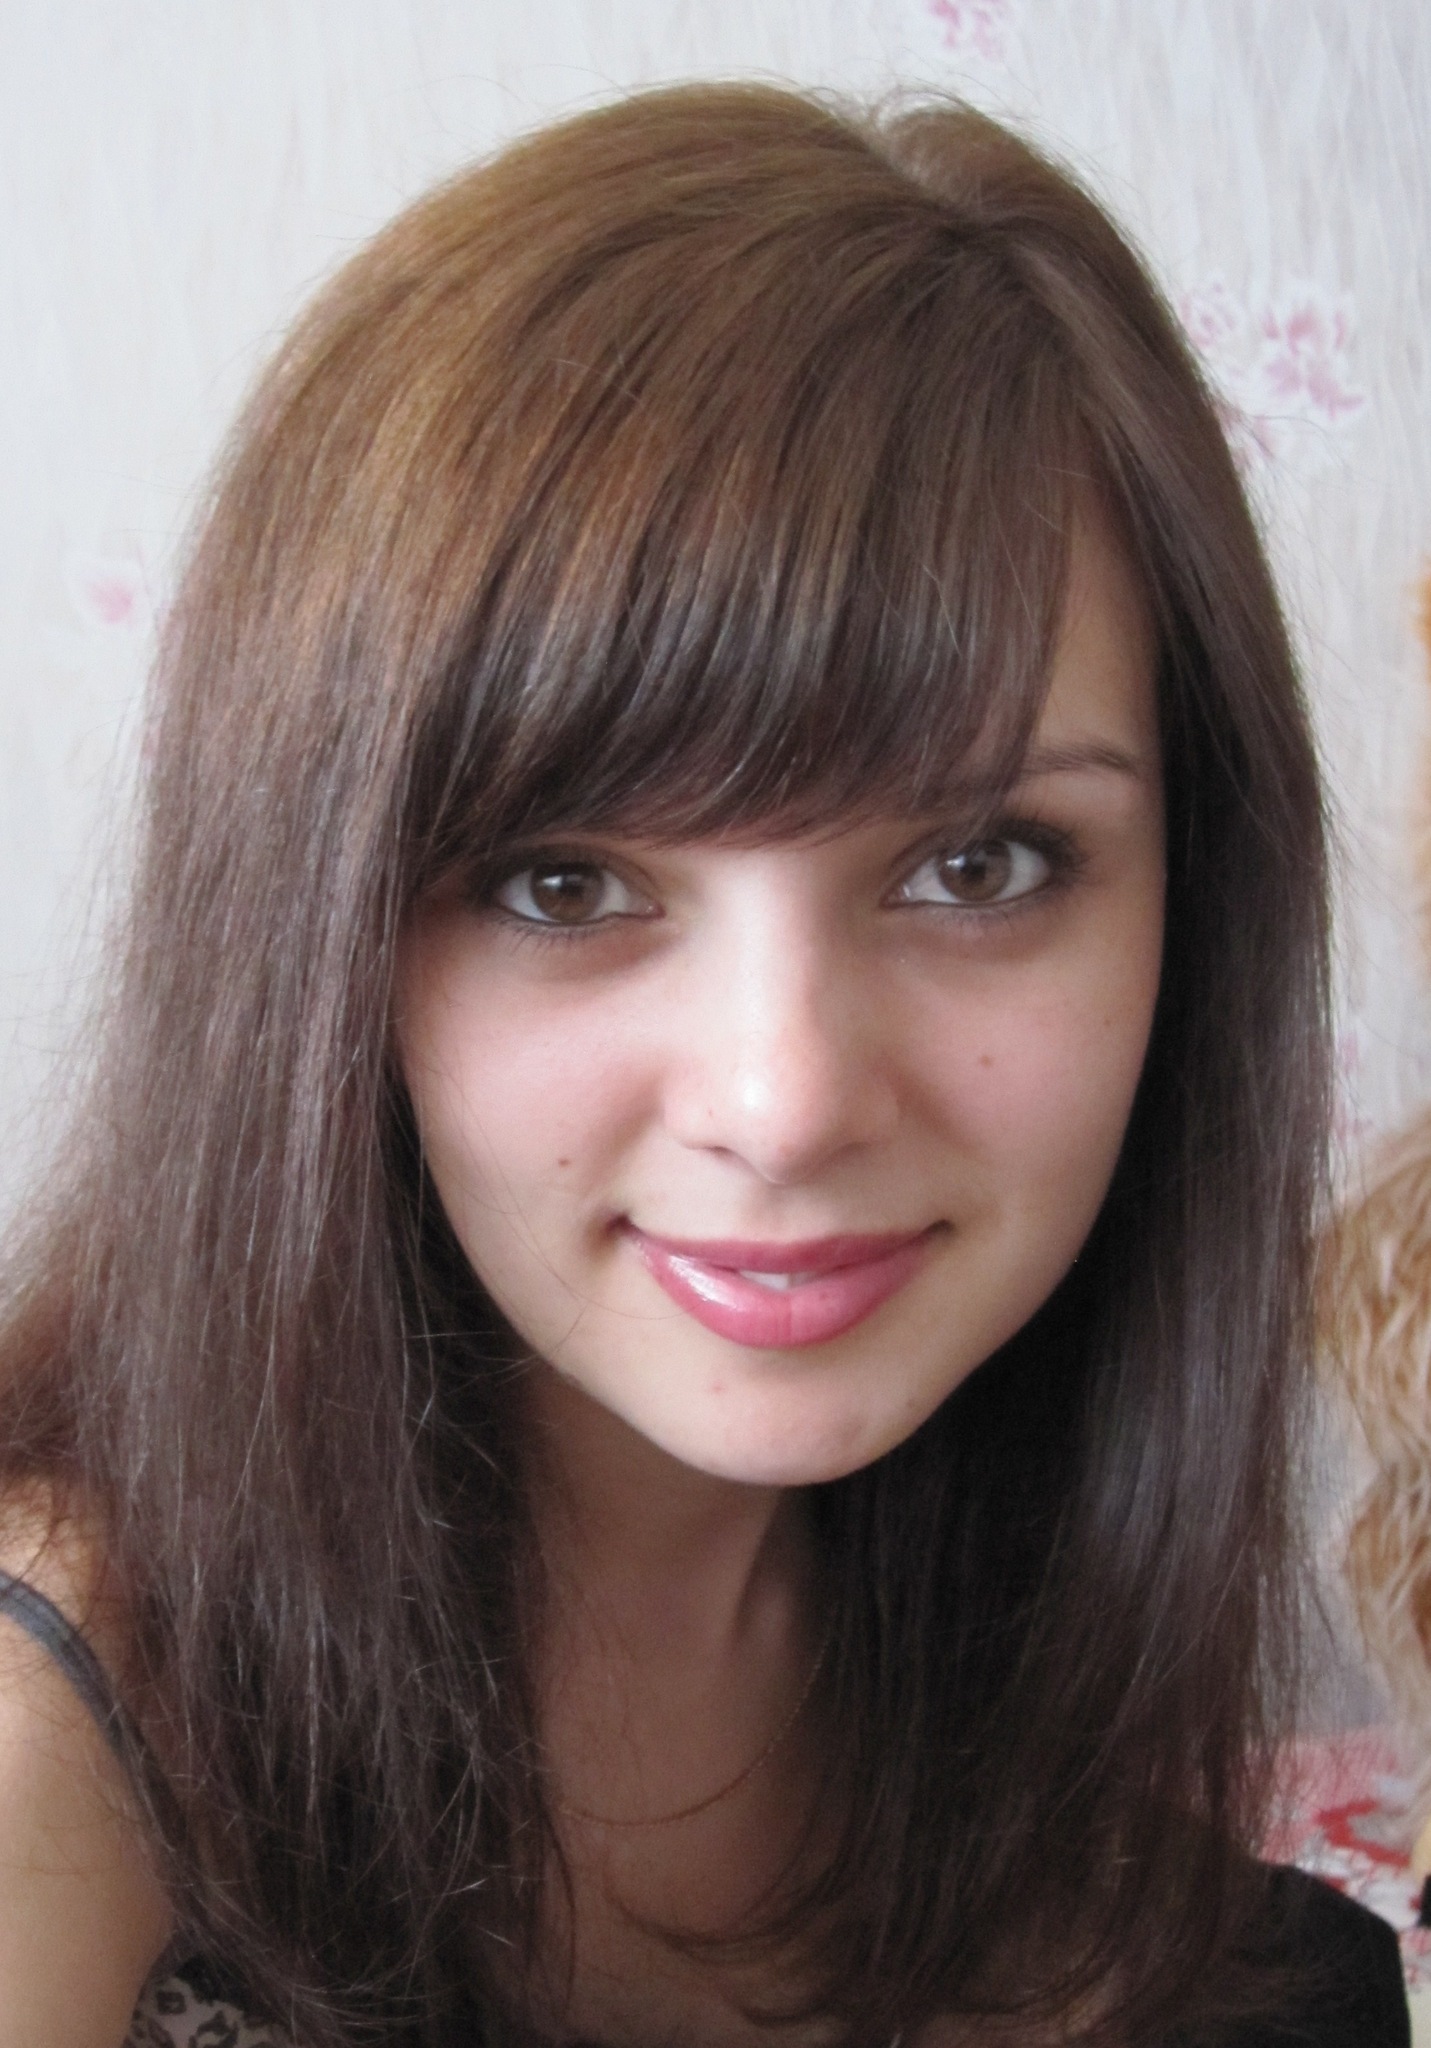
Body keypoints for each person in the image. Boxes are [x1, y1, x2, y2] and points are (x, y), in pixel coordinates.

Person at [0, 80, 1408, 2048]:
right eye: (565, 883)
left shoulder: (1205, 1925)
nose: (784, 1098)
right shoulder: (61, 1756)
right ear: (320, 942)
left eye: (976, 865)